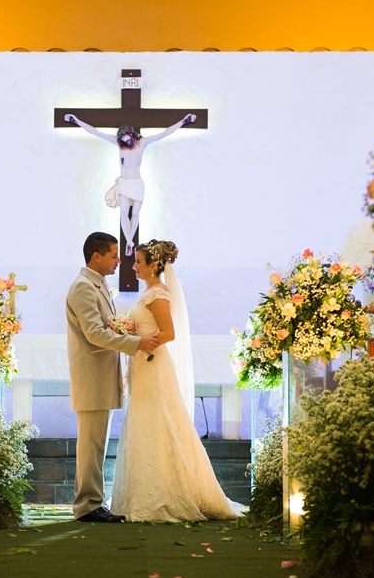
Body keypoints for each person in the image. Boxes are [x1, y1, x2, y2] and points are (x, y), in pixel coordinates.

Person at [110, 239, 246, 522]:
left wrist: (136, 339)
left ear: (154, 265)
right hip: (143, 365)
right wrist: (131, 331)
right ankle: (143, 492)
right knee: (146, 423)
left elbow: (168, 333)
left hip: (153, 365)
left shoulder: (158, 293)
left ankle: (168, 495)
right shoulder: (148, 292)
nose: (133, 266)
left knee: (159, 423)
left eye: (138, 262)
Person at [66, 232, 160, 523]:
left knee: (96, 445)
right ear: (97, 256)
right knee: (91, 444)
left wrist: (124, 331)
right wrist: (136, 343)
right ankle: (87, 506)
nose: (120, 260)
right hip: (91, 376)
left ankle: (92, 502)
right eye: (114, 255)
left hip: (100, 374)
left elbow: (104, 327)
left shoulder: (97, 284)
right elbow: (94, 334)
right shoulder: (83, 287)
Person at [64, 113, 196, 244]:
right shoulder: (118, 143)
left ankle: (129, 240)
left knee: (135, 214)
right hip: (124, 182)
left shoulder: (142, 143)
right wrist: (76, 121)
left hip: (137, 183)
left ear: (132, 134)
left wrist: (184, 121)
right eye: (124, 139)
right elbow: (95, 132)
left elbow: (165, 133)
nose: (126, 141)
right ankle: (129, 242)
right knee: (123, 213)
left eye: (128, 138)